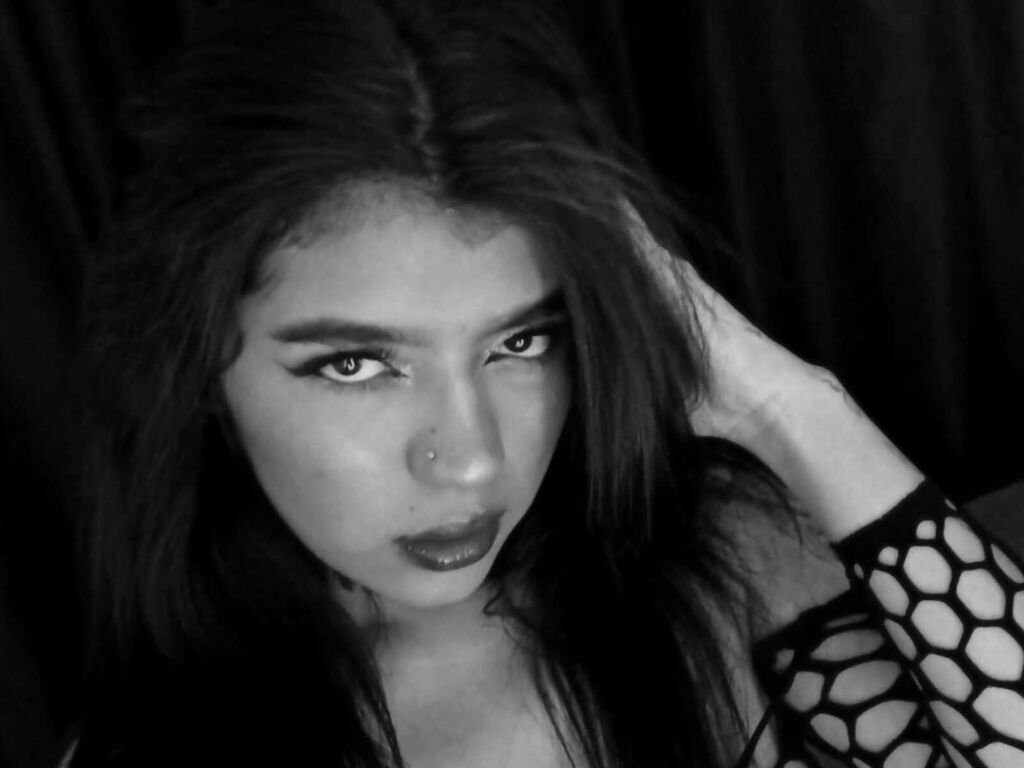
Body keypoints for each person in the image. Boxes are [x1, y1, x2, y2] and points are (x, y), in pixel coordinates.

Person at [69, 0, 1024, 766]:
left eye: (521, 342)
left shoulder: (725, 562)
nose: (472, 461)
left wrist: (787, 407)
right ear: (199, 371)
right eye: (356, 365)